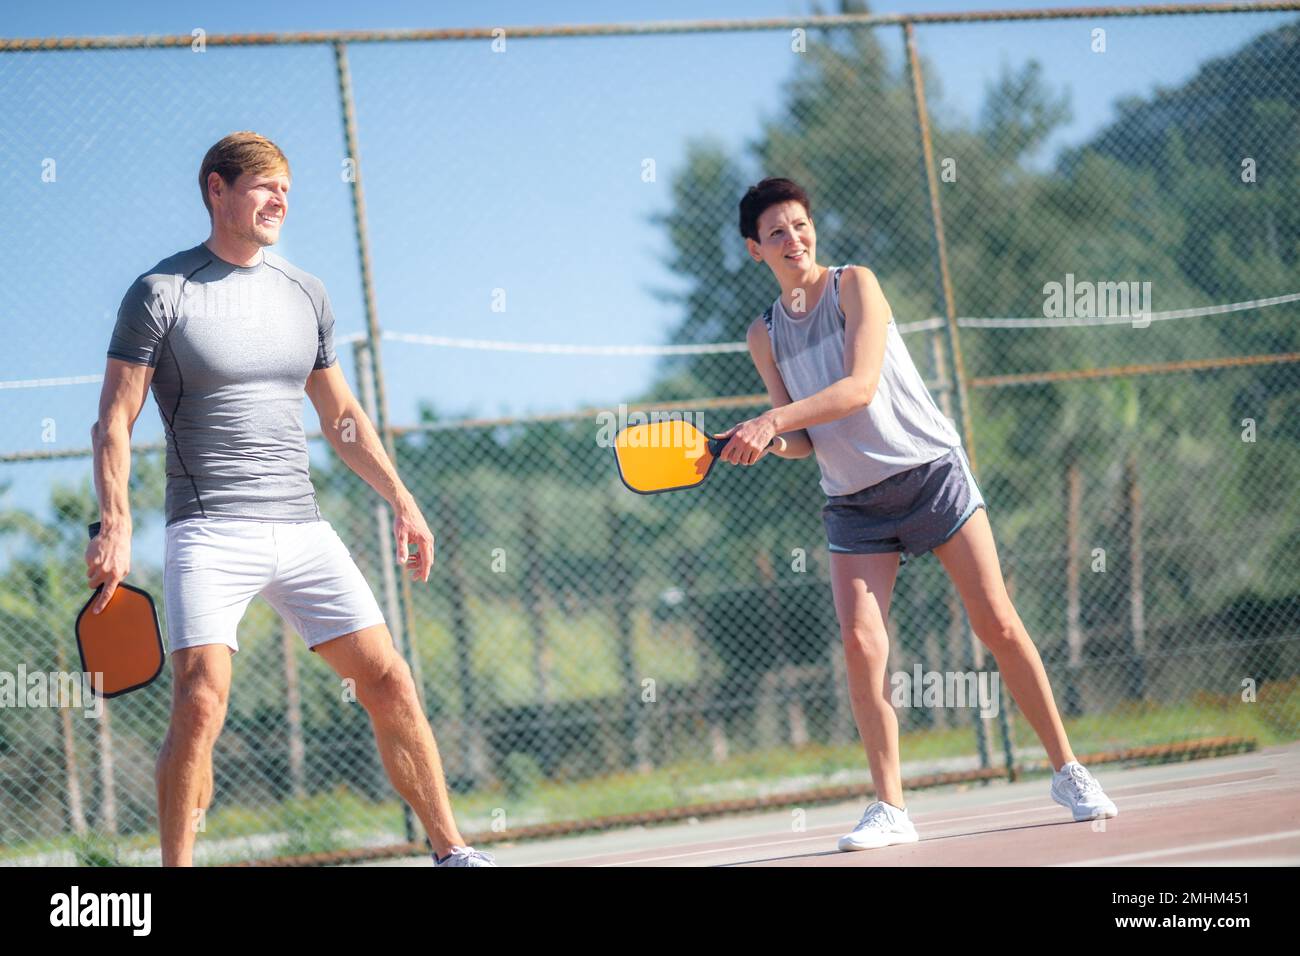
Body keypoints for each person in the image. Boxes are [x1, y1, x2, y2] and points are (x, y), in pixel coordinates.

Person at [86, 131, 494, 867]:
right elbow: (115, 419)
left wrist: (402, 496)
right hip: (209, 529)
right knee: (201, 698)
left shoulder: (305, 292)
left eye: (287, 191)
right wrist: (114, 521)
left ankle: (452, 852)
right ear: (217, 189)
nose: (280, 201)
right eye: (265, 186)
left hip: (302, 526)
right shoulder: (161, 292)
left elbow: (341, 418)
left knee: (388, 677)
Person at [718, 177, 1118, 852]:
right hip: (852, 500)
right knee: (860, 644)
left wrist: (772, 419)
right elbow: (805, 441)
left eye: (802, 224)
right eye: (777, 233)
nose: (795, 239)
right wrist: (763, 442)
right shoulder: (763, 335)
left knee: (995, 620)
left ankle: (1068, 770)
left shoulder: (855, 286)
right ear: (755, 250)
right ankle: (890, 807)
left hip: (929, 470)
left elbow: (858, 387)